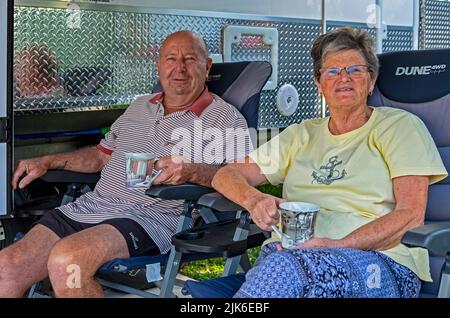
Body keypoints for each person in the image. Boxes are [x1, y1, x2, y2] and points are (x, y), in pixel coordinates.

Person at [0, 30, 251, 298]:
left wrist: (191, 171)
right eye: (171, 59)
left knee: (67, 262)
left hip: (150, 217)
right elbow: (101, 156)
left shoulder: (225, 119)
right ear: (158, 65)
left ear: (207, 66)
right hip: (92, 207)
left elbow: (241, 177)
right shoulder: (139, 106)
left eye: (190, 59)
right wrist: (47, 161)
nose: (179, 68)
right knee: (6, 267)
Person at [211, 27, 448, 298]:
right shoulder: (302, 134)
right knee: (283, 272)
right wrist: (254, 200)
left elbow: (410, 216)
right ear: (319, 83)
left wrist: (337, 245)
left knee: (281, 273)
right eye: (333, 71)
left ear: (371, 81)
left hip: (379, 263)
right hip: (290, 258)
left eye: (355, 70)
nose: (344, 78)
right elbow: (225, 175)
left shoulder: (399, 127)